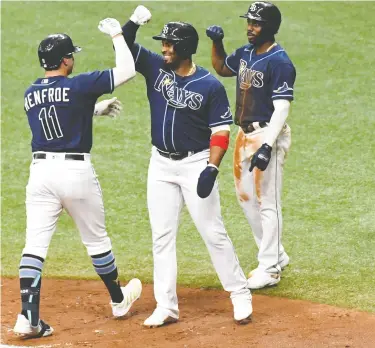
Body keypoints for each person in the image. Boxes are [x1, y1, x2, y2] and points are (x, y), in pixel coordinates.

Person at [120, 5, 253, 327]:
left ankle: (239, 293)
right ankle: (166, 306)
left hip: (195, 164)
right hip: (160, 165)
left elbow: (221, 131)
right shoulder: (155, 67)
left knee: (213, 232)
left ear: (184, 49)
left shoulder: (210, 85)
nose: (163, 48)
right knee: (162, 236)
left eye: (169, 44)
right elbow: (124, 45)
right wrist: (133, 22)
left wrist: (211, 168)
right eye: (163, 43)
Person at [13, 18, 142, 339]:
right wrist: (117, 33)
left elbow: (55, 116)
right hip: (75, 173)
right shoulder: (79, 84)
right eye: (72, 55)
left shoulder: (30, 94)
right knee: (96, 240)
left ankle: (29, 318)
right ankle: (118, 300)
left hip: (40, 173)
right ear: (66, 60)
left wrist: (94, 110)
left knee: (34, 246)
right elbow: (127, 70)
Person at [206, 1, 296, 289]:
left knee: (268, 202)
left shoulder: (280, 62)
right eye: (249, 22)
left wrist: (268, 146)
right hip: (244, 135)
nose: (250, 27)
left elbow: (281, 108)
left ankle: (269, 268)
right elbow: (221, 68)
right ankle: (275, 254)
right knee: (247, 200)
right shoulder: (246, 53)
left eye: (256, 23)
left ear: (269, 27)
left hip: (267, 133)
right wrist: (217, 42)